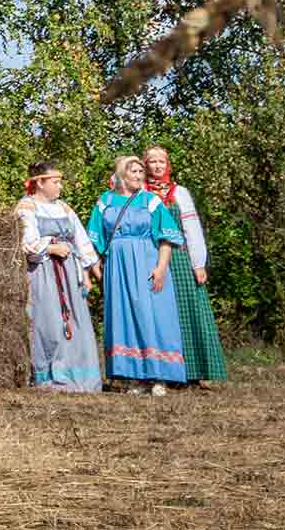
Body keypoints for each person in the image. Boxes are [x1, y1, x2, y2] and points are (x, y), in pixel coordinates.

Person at [90, 155, 188, 395]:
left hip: (147, 262)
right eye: (133, 171)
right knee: (123, 316)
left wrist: (161, 268)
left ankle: (159, 376)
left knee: (153, 315)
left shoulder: (150, 201)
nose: (138, 175)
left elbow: (166, 237)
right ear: (122, 174)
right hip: (117, 266)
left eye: (140, 172)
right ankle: (134, 377)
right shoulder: (105, 201)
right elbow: (92, 240)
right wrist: (96, 270)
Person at [143, 146, 226, 387]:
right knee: (158, 312)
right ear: (145, 165)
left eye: (161, 161)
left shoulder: (180, 193)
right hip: (152, 257)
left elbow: (192, 229)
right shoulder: (140, 194)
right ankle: (163, 370)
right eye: (153, 161)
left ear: (167, 164)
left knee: (188, 310)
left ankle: (193, 370)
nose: (157, 166)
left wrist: (198, 263)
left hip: (179, 260)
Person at [17, 164, 102, 392]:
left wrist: (87, 272)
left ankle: (81, 379)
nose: (60, 186)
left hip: (69, 272)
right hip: (44, 272)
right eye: (55, 182)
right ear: (40, 182)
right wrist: (51, 248)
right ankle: (50, 377)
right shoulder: (27, 207)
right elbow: (27, 242)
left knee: (76, 322)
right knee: (50, 322)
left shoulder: (64, 208)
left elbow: (80, 239)